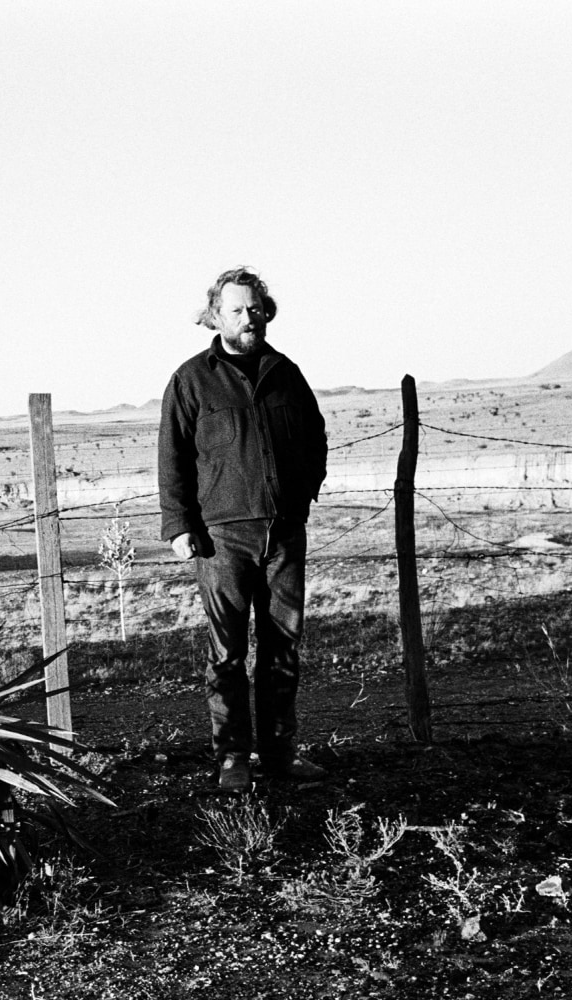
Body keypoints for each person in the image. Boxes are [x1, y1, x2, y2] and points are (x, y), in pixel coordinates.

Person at [158, 267, 328, 791]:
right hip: (221, 538)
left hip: (283, 532)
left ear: (266, 311)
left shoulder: (286, 372)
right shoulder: (192, 379)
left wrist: (301, 495)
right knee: (227, 653)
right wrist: (180, 525)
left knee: (283, 648)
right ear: (216, 315)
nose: (248, 318)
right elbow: (173, 456)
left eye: (255, 308)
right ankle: (232, 758)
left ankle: (279, 755)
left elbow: (315, 439)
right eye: (236, 310)